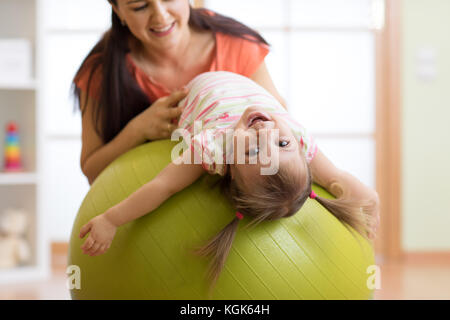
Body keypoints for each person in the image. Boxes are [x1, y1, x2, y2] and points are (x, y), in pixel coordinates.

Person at [78, 71, 380, 291]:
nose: (266, 133)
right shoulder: (294, 134)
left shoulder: (211, 147)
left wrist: (111, 219)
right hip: (240, 78)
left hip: (192, 91)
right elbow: (335, 177)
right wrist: (370, 198)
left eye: (252, 150)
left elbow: (162, 187)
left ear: (229, 168)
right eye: (281, 145)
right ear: (299, 149)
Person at [73, 0, 286, 185]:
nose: (160, 15)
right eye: (140, 6)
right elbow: (92, 172)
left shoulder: (237, 46)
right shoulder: (102, 71)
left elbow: (284, 134)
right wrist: (138, 130)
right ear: (117, 10)